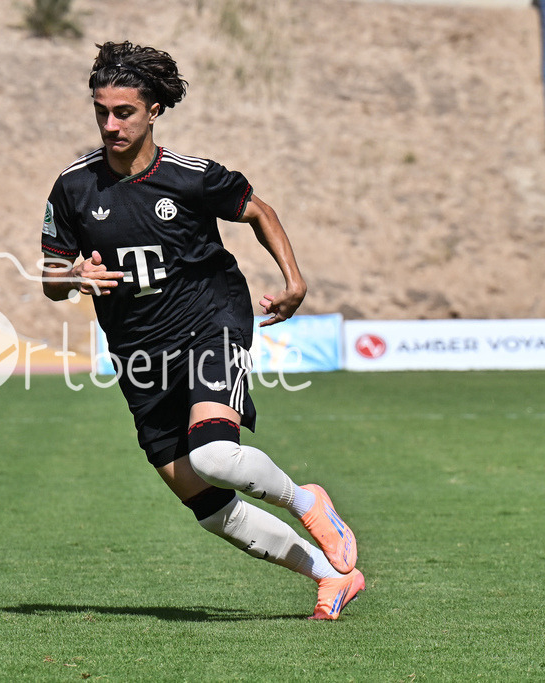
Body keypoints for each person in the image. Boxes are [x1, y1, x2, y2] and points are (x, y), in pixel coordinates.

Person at [40, 41, 364, 620]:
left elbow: (260, 211)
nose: (110, 125)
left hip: (209, 324)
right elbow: (49, 278)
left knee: (214, 455)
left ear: (153, 111)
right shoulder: (73, 187)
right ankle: (331, 576)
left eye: (124, 113)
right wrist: (73, 276)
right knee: (210, 507)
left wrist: (293, 280)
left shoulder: (190, 177)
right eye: (101, 112)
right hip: (139, 356)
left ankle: (306, 500)